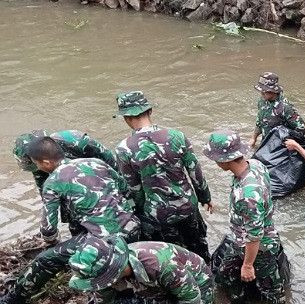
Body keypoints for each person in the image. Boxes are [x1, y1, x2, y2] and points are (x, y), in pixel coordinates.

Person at [1, 137, 139, 304]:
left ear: (45, 163)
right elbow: (125, 188)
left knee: (44, 261)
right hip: (133, 227)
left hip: (106, 241)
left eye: (35, 164)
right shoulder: (95, 162)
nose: (36, 168)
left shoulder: (52, 183)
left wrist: (52, 243)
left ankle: (13, 298)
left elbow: (49, 229)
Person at [114, 91, 213, 262]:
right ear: (150, 111)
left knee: (172, 257)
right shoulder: (176, 136)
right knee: (199, 247)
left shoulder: (124, 149)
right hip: (187, 206)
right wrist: (205, 197)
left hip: (158, 214)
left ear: (126, 118)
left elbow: (134, 189)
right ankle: (207, 277)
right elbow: (195, 173)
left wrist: (139, 214)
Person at [203, 130, 290, 304]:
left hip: (259, 248)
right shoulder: (256, 165)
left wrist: (248, 265)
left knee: (271, 292)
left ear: (224, 160)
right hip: (242, 240)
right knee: (225, 276)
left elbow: (254, 235)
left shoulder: (248, 195)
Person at [13, 129, 118, 236]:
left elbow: (107, 157)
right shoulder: (39, 165)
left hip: (94, 171)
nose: (37, 167)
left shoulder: (74, 140)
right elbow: (47, 194)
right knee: (76, 224)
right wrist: (50, 223)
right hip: (71, 182)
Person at [68, 235, 214, 304]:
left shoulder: (164, 266)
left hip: (197, 283)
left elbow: (191, 299)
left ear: (110, 275)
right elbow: (103, 299)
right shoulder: (106, 271)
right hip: (149, 282)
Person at [251, 72, 305, 148]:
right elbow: (260, 122)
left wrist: (288, 142)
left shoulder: (285, 107)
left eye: (264, 91)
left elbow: (301, 128)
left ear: (273, 91)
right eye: (261, 91)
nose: (262, 93)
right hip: (265, 144)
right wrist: (253, 138)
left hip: (279, 147)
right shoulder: (262, 101)